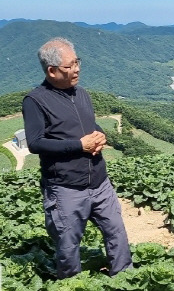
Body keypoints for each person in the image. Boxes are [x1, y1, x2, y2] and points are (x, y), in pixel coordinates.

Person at [22, 37, 132, 279]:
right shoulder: (35, 101)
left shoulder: (81, 94)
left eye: (77, 62)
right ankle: (71, 284)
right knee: (68, 247)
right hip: (65, 188)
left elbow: (90, 125)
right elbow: (35, 143)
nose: (77, 69)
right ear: (51, 71)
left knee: (117, 234)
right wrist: (79, 145)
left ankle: (125, 279)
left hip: (100, 183)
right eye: (70, 65)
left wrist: (100, 136)